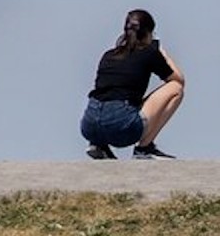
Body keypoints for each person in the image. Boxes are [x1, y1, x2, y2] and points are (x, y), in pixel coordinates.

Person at [79, 9, 185, 160]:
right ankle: (144, 148)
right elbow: (178, 79)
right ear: (148, 33)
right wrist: (159, 50)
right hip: (120, 126)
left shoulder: (109, 55)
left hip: (90, 125)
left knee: (111, 97)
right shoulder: (149, 53)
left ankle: (98, 145)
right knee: (176, 89)